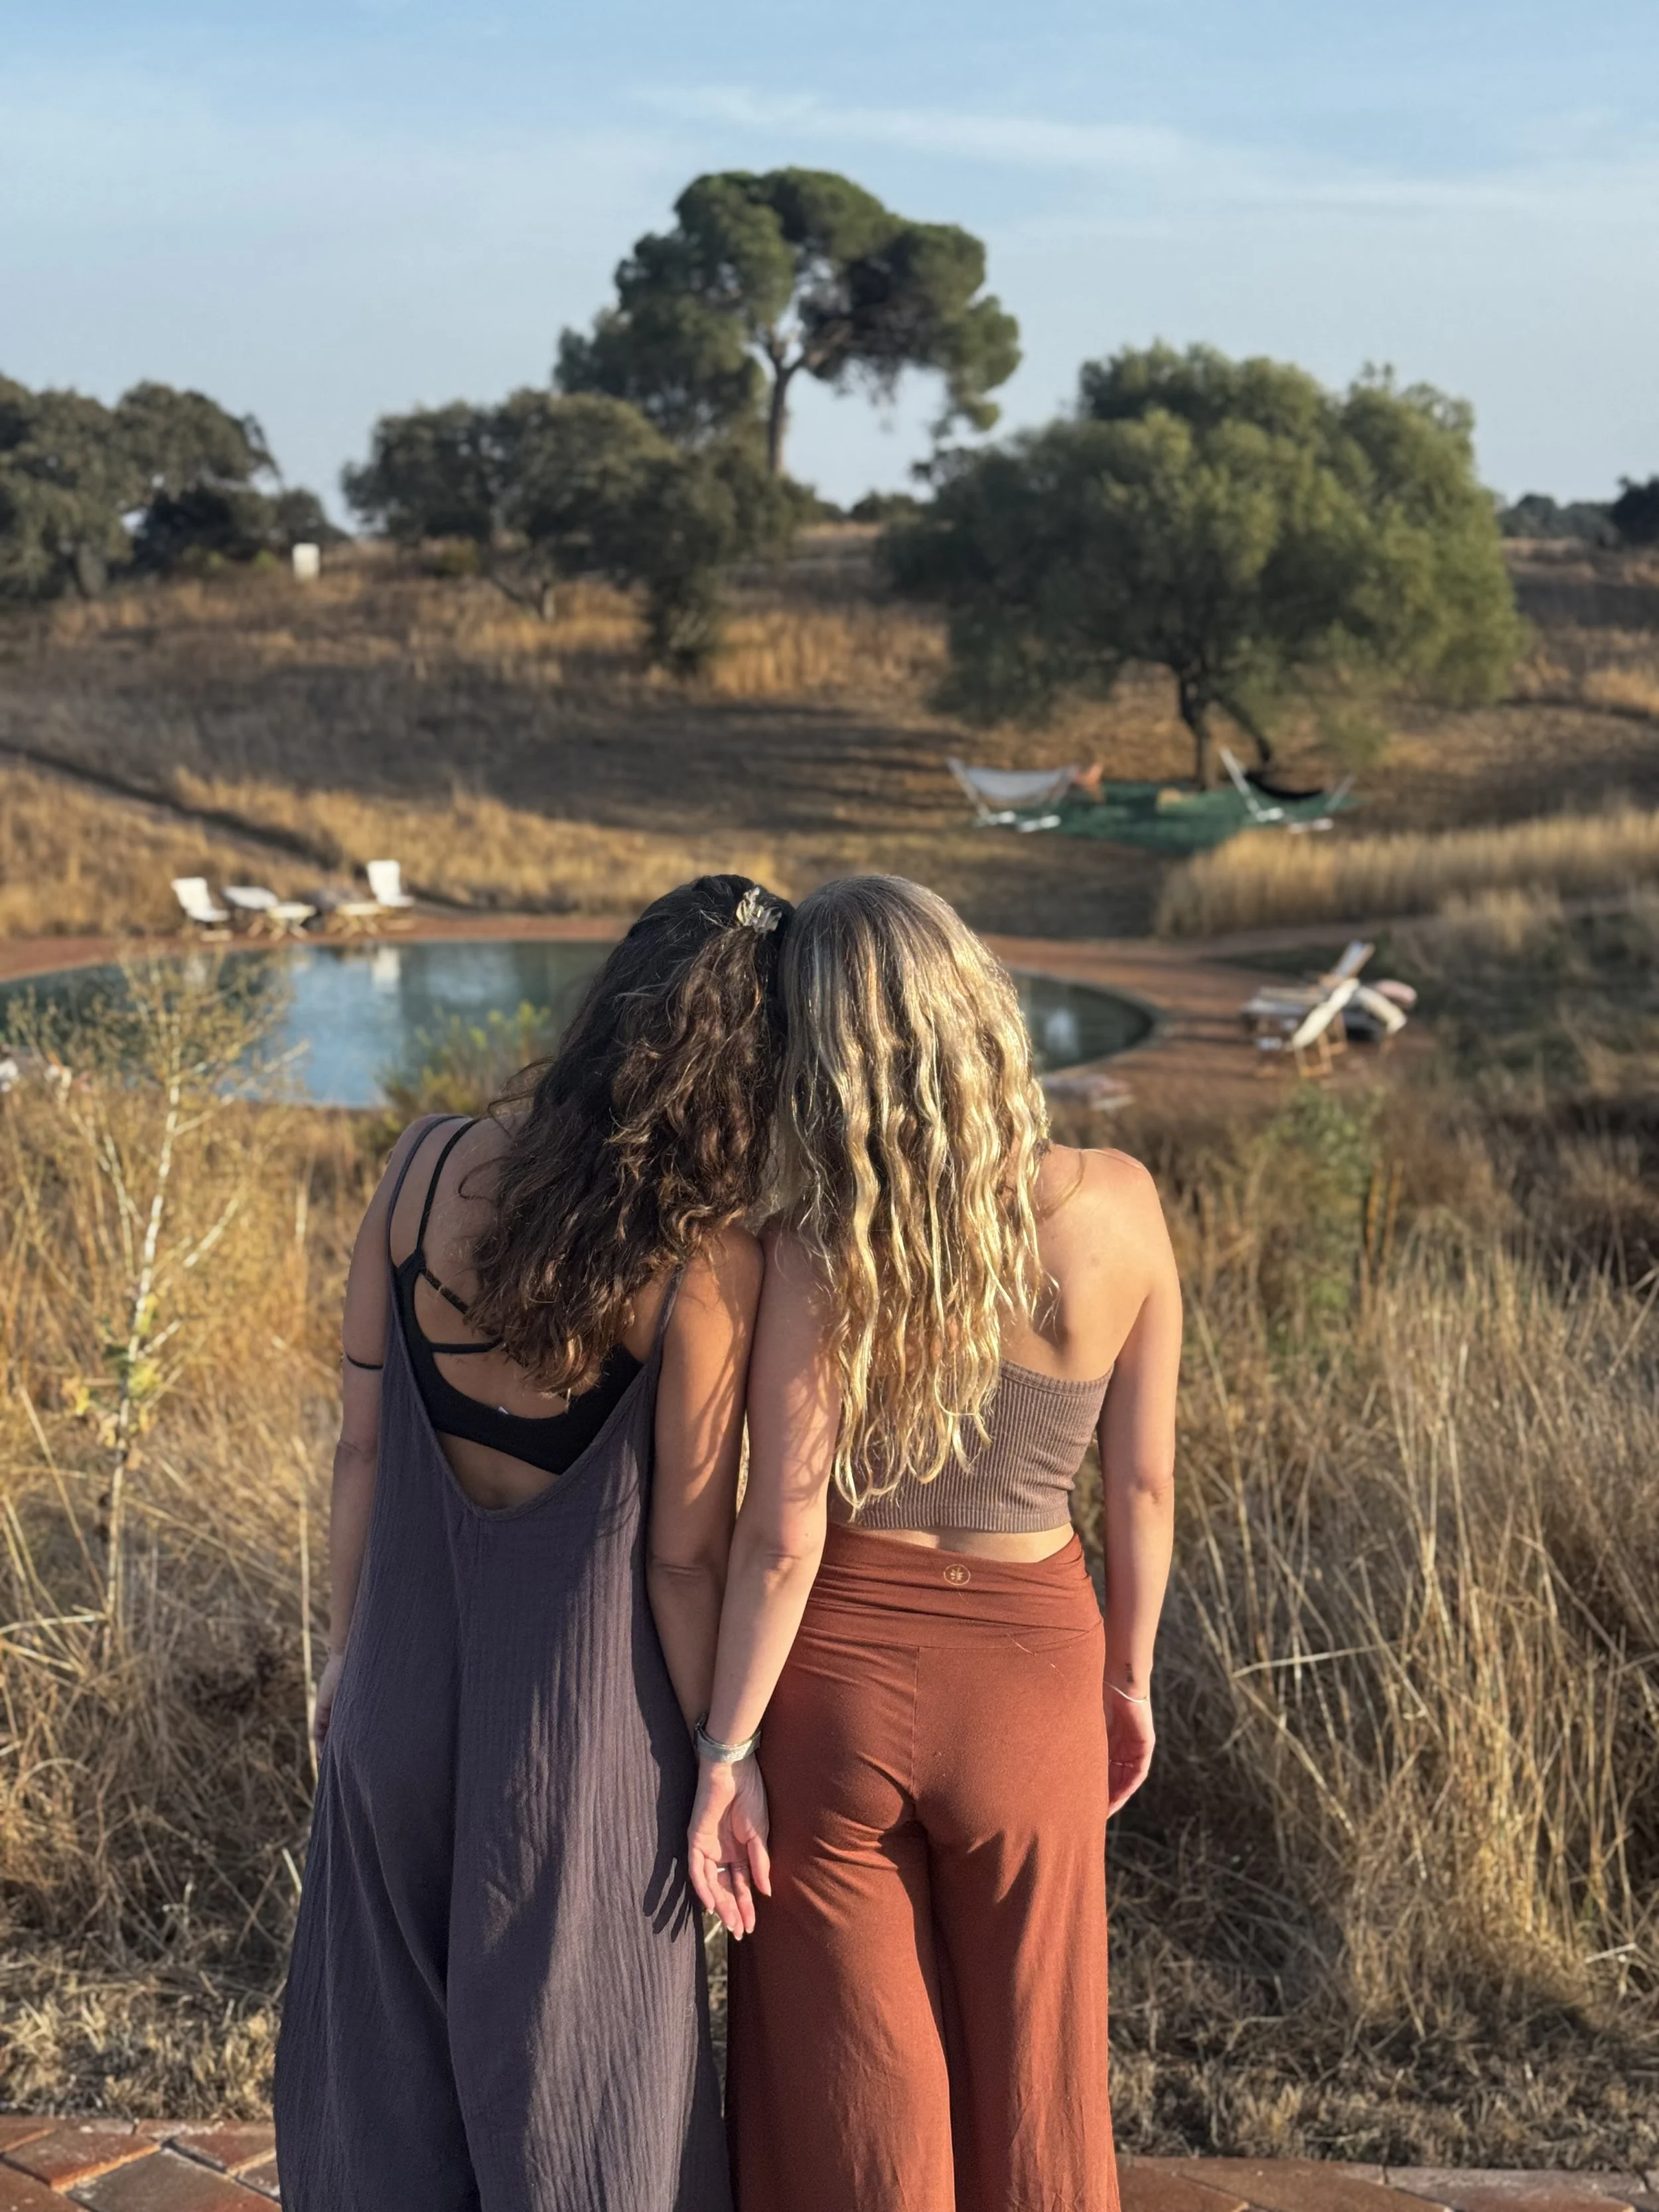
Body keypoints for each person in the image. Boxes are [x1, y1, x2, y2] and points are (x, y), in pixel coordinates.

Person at [275, 875, 792, 2212]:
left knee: (384, 2119)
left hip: (393, 1710)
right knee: (587, 2134)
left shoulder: (423, 1166)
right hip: (584, 1766)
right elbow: (683, 1564)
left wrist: (350, 1661)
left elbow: (364, 1455)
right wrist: (722, 1755)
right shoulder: (702, 1275)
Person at [689, 875, 1181, 2212]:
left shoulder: (816, 1238)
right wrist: (1125, 1681)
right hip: (1034, 1678)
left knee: (857, 2095)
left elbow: (780, 1535)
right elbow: (1138, 1490)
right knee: (1039, 2083)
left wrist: (722, 1752)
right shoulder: (1121, 1205)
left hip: (837, 1690)